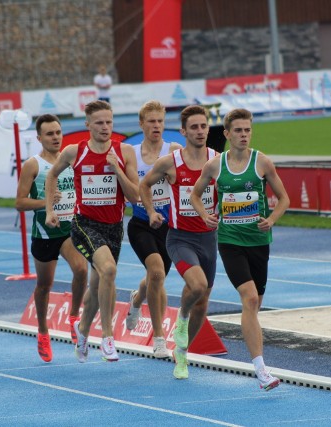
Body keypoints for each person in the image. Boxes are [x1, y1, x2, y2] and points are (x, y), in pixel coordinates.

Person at [190, 108, 289, 391]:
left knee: (254, 302)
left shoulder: (262, 163)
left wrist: (271, 219)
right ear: (227, 134)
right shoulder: (215, 166)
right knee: (249, 299)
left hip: (258, 243)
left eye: (248, 130)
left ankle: (258, 359)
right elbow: (196, 195)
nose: (244, 135)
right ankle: (261, 369)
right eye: (238, 131)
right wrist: (205, 215)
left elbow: (284, 199)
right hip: (231, 242)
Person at [45, 101, 138, 363]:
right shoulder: (75, 152)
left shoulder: (125, 152)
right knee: (108, 270)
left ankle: (82, 328)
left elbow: (136, 196)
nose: (105, 127)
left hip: (114, 228)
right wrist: (50, 209)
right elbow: (51, 176)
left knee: (99, 282)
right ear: (87, 125)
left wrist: (117, 169)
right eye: (99, 122)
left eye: (109, 122)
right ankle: (107, 337)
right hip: (85, 225)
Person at [139, 104, 218, 379]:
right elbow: (144, 185)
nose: (199, 131)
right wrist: (151, 212)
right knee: (197, 285)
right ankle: (181, 318)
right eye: (193, 127)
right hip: (180, 238)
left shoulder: (217, 160)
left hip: (209, 239)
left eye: (203, 126)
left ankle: (182, 354)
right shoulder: (170, 162)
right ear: (183, 131)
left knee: (204, 301)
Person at [15, 113, 88, 363]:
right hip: (45, 233)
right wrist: (45, 203)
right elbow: (19, 202)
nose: (55, 137)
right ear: (39, 138)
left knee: (81, 269)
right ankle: (43, 331)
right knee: (45, 285)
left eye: (58, 132)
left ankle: (74, 319)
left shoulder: (72, 159)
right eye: (49, 134)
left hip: (70, 230)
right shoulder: (33, 165)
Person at [125, 101, 182, 359]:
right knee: (157, 273)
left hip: (169, 226)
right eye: (151, 121)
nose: (156, 125)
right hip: (141, 224)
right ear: (142, 124)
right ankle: (160, 340)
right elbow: (127, 187)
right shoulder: (131, 154)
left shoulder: (174, 151)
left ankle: (137, 299)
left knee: (155, 277)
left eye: (160, 121)